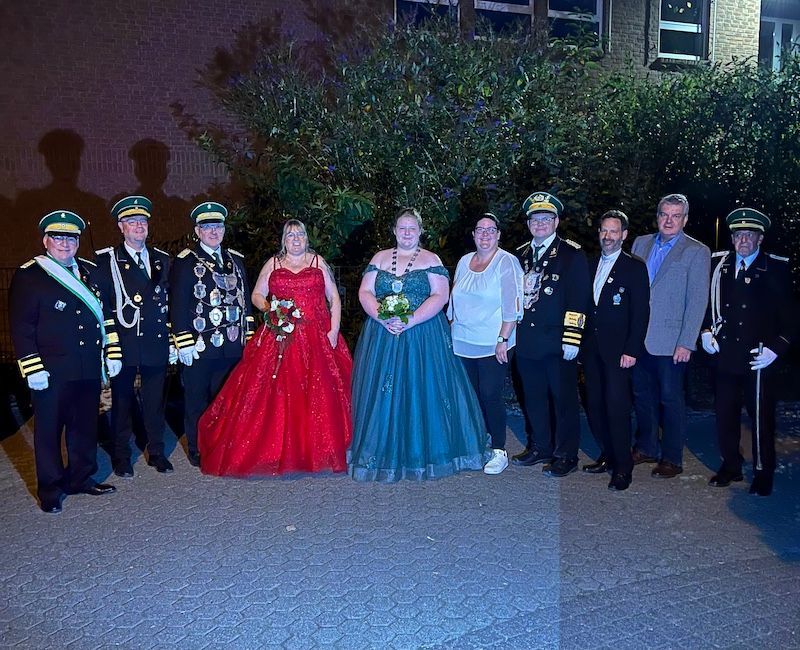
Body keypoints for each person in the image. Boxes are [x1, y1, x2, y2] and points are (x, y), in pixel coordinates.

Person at [198, 220, 353, 475]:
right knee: (280, 393)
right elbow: (257, 295)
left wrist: (333, 331)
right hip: (282, 336)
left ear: (306, 238)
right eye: (290, 235)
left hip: (317, 338)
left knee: (319, 394)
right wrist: (273, 310)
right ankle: (283, 449)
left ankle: (318, 450)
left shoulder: (317, 262)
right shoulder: (273, 264)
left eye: (300, 234)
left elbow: (334, 297)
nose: (295, 239)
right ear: (283, 239)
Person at [349, 207, 489, 481]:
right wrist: (382, 318)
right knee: (383, 393)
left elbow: (440, 295)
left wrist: (409, 320)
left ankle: (424, 452)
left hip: (422, 335)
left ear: (421, 231)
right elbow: (364, 291)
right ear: (394, 231)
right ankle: (384, 451)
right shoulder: (379, 258)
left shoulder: (430, 259)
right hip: (384, 335)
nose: (407, 233)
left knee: (423, 392)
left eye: (412, 228)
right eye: (402, 228)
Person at [9, 210, 121, 513]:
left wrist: (112, 352)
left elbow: (105, 316)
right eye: (58, 237)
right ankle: (50, 488)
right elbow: (22, 327)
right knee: (48, 432)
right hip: (51, 371)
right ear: (46, 240)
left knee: (84, 427)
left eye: (70, 237)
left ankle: (81, 478)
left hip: (86, 367)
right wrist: (32, 367)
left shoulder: (89, 270)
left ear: (77, 240)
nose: (64, 243)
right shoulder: (30, 275)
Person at [701, 208, 796, 496]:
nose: (743, 240)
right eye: (738, 234)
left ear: (760, 238)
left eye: (749, 234)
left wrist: (776, 349)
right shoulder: (719, 266)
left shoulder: (776, 268)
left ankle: (762, 471)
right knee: (724, 414)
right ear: (732, 238)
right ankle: (730, 465)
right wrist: (704, 331)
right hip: (726, 354)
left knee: (760, 419)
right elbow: (705, 303)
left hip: (758, 358)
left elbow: (792, 318)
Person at [169, 202, 255, 467]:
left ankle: (222, 443)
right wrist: (183, 341)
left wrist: (249, 338)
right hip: (200, 344)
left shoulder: (236, 260)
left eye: (217, 226)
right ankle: (196, 447)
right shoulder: (185, 262)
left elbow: (245, 304)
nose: (213, 231)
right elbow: (179, 303)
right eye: (207, 227)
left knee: (227, 400)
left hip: (231, 346)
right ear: (197, 231)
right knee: (196, 400)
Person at [512, 192, 591, 478]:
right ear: (529, 223)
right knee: (533, 398)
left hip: (558, 343)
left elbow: (578, 298)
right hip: (527, 343)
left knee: (564, 401)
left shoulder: (571, 254)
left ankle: (566, 454)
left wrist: (573, 337)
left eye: (546, 218)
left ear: (556, 221)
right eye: (535, 219)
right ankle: (540, 446)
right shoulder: (519, 255)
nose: (540, 223)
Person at [631, 193, 710, 478]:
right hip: (639, 338)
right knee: (642, 395)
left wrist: (687, 341)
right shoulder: (641, 243)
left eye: (676, 216)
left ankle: (672, 458)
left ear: (685, 220)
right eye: (665, 214)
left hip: (672, 341)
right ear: (658, 215)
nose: (669, 220)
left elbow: (698, 300)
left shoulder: (696, 251)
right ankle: (647, 446)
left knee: (670, 399)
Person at [94, 196, 173, 477]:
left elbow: (170, 302)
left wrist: (174, 340)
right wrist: (108, 347)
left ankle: (157, 452)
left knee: (154, 403)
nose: (138, 226)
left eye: (142, 221)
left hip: (155, 343)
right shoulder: (106, 261)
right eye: (132, 222)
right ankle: (121, 456)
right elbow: (101, 306)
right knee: (122, 403)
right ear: (121, 227)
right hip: (124, 344)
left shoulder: (163, 260)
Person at [448, 213, 523, 475]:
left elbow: (513, 306)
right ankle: (479, 442)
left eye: (491, 230)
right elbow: (454, 299)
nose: (485, 235)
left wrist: (503, 339)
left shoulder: (507, 262)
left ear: (499, 234)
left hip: (493, 343)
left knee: (490, 394)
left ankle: (499, 450)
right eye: (480, 230)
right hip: (462, 341)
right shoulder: (464, 261)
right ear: (473, 235)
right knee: (471, 395)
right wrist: (450, 327)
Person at [580, 210, 650, 491]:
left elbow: (641, 312)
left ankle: (623, 466)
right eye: (603, 231)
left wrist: (632, 349)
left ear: (624, 235)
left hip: (619, 352)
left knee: (617, 408)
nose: (608, 236)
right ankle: (607, 454)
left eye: (613, 231)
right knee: (594, 405)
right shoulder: (590, 262)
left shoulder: (634, 267)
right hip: (592, 350)